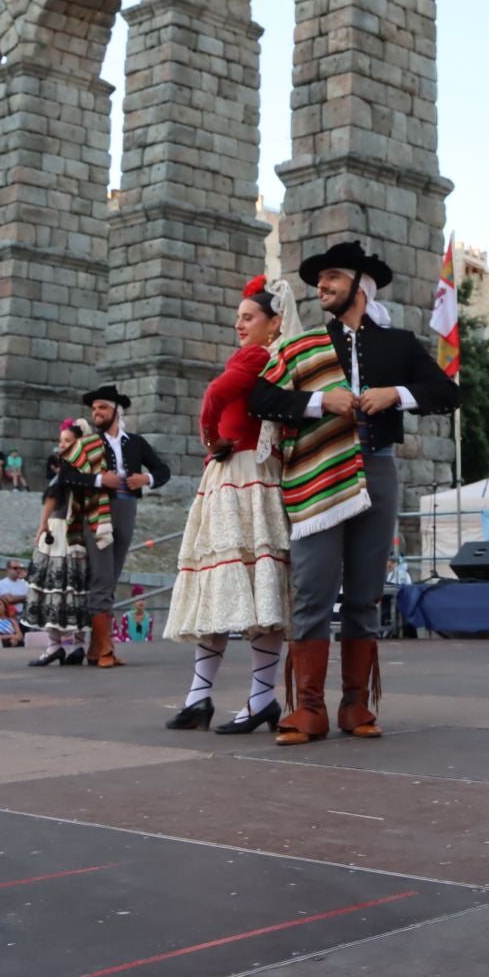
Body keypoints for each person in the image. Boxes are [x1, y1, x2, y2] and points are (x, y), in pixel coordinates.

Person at [246, 240, 460, 745]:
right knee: (314, 588)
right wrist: (320, 401)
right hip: (319, 470)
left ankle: (355, 704)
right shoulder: (302, 346)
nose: (321, 285)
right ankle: (310, 709)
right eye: (319, 279)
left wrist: (397, 396)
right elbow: (260, 397)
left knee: (365, 594)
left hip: (377, 466)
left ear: (360, 284)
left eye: (332, 277)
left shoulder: (399, 344)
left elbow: (448, 392)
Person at [164, 275, 296, 735]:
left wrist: (210, 437)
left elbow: (215, 395)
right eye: (238, 318)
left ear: (273, 323)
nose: (239, 325)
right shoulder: (269, 356)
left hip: (241, 471)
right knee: (241, 584)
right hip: (244, 474)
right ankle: (227, 696)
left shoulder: (258, 355)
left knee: (234, 580)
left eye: (248, 317)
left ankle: (228, 697)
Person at [55, 385, 172, 668]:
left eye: (102, 408)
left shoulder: (135, 443)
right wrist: (98, 481)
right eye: (94, 409)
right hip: (98, 511)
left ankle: (97, 650)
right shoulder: (86, 444)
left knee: (113, 572)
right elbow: (65, 476)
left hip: (126, 506)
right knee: (102, 576)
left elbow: (162, 470)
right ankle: (105, 649)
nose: (97, 414)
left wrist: (146, 480)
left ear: (116, 412)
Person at [24, 422, 93, 665]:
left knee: (58, 587)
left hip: (61, 529)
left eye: (67, 440)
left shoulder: (69, 468)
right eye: (61, 440)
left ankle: (57, 645)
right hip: (72, 531)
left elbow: (52, 499)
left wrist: (42, 524)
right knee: (70, 587)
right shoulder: (81, 466)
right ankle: (75, 645)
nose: (62, 444)